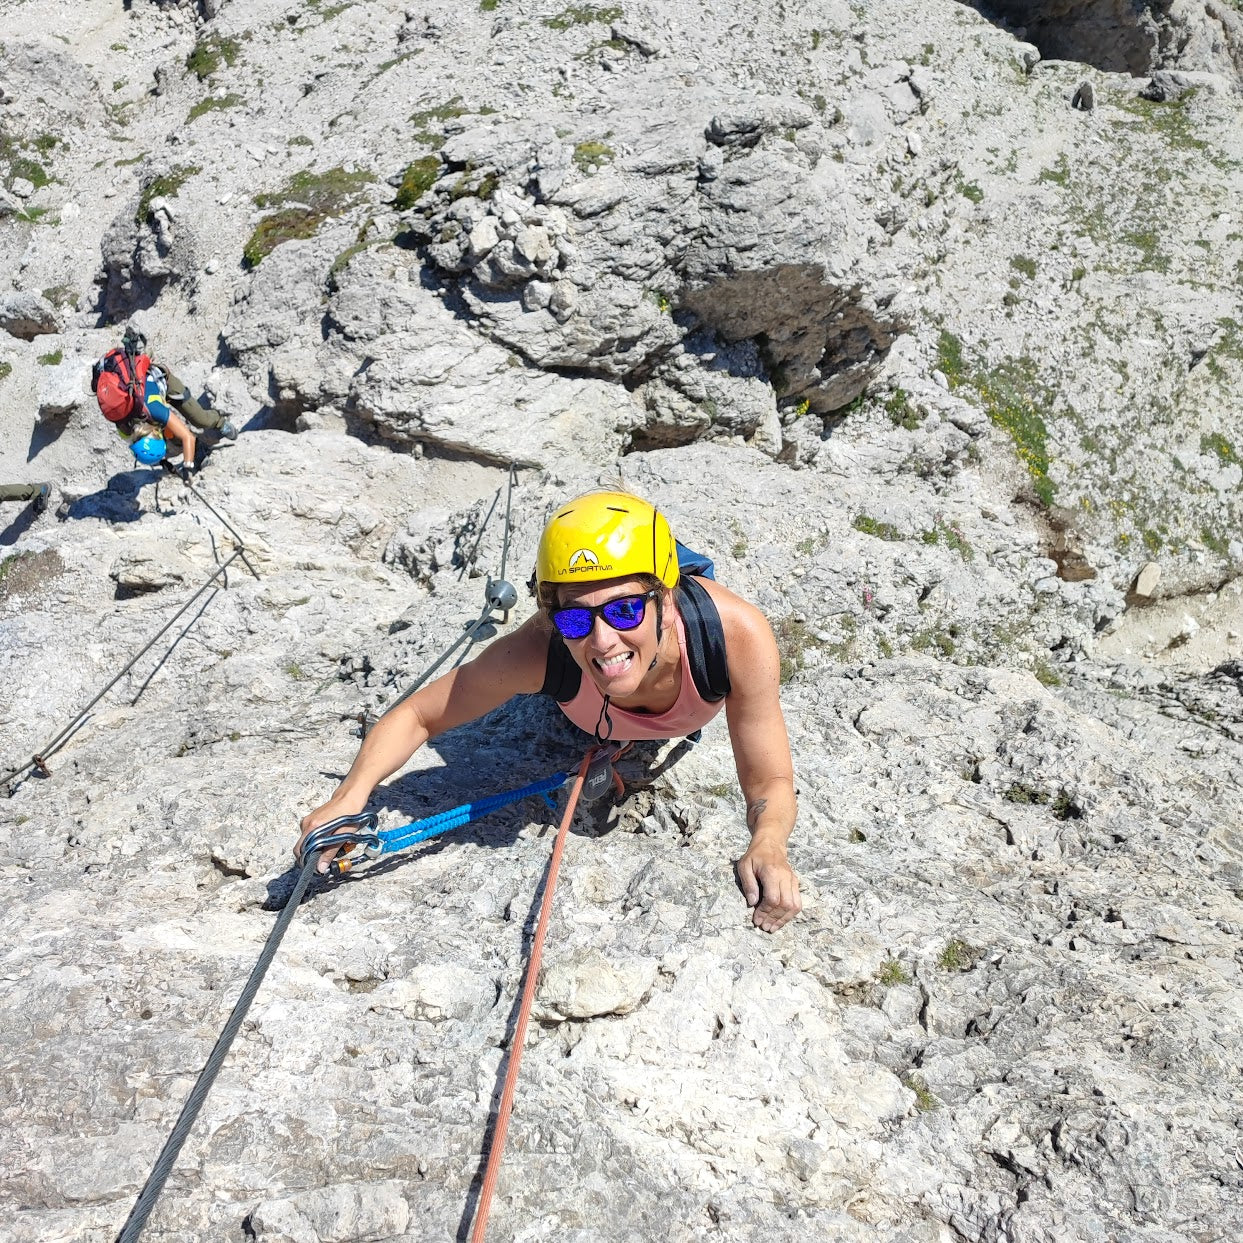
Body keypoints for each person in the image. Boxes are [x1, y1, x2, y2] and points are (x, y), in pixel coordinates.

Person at [298, 490, 801, 932]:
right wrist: (351, 797)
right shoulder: (543, 648)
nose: (603, 642)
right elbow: (418, 716)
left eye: (625, 609)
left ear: (667, 601)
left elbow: (770, 780)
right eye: (576, 617)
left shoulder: (733, 637)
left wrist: (769, 842)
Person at [92, 328, 237, 471]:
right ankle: (199, 452)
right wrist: (163, 461)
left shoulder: (153, 409)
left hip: (163, 384)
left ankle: (220, 422)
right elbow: (147, 448)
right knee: (172, 436)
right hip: (146, 405)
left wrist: (188, 464)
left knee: (200, 420)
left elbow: (188, 437)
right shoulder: (124, 428)